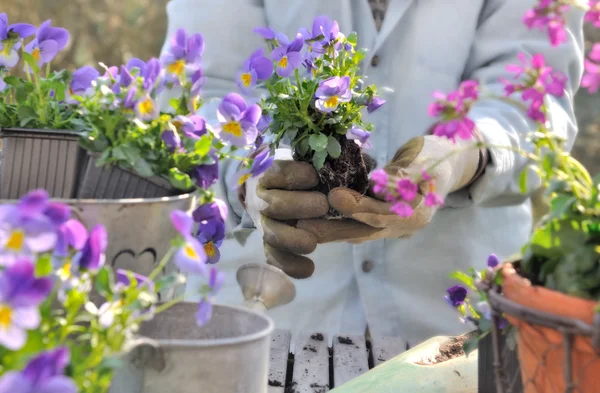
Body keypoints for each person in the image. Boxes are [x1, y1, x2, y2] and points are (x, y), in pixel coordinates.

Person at [160, 0, 584, 348]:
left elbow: (533, 95)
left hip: (454, 319)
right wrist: (247, 175)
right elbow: (204, 88)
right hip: (269, 317)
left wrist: (459, 159)